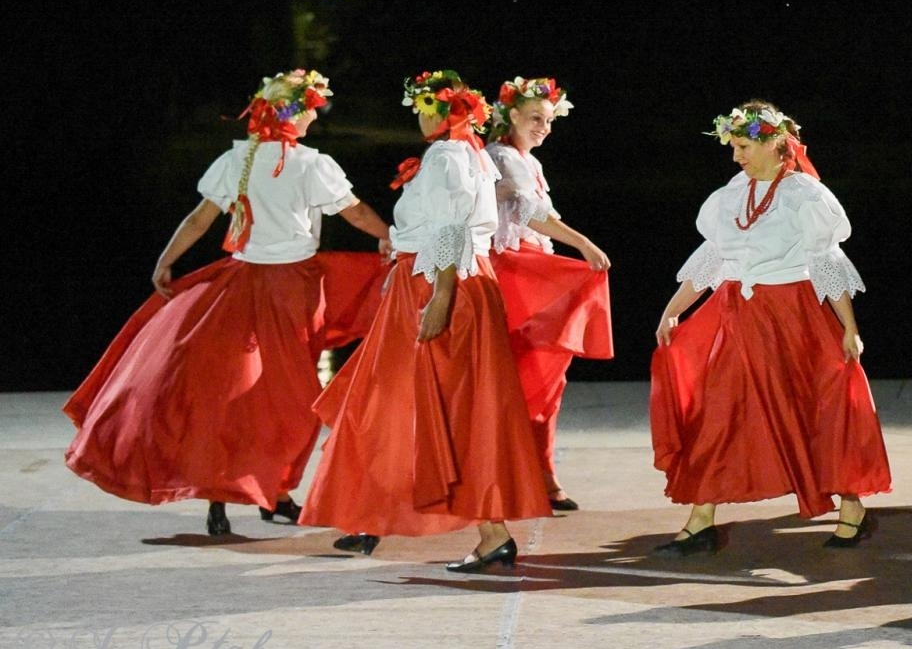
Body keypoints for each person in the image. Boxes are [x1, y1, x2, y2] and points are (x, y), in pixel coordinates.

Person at [64, 70, 390, 536]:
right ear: (293, 114)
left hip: (240, 285)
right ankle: (267, 492)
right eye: (312, 108)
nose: (316, 115)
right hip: (290, 290)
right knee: (288, 397)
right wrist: (389, 236)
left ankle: (241, 495)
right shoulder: (310, 164)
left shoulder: (239, 158)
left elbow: (200, 219)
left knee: (234, 393)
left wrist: (166, 259)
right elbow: (354, 211)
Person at [300, 70, 550, 571]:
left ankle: (487, 532)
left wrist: (437, 296)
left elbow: (452, 228)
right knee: (400, 403)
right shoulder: (470, 153)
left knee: (420, 407)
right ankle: (374, 516)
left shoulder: (448, 157)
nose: (416, 117)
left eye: (420, 108)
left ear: (438, 110)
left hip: (440, 284)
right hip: (440, 280)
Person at [650, 100, 891, 554]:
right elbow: (716, 258)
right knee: (717, 410)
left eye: (742, 146)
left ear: (773, 142)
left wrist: (848, 327)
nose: (736, 155)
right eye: (734, 146)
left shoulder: (804, 195)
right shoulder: (732, 193)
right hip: (739, 319)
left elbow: (826, 261)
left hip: (793, 319)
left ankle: (852, 505)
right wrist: (672, 309)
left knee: (812, 410)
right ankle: (701, 518)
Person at [486, 76, 612, 512]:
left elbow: (539, 215)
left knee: (546, 376)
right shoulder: (500, 156)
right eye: (536, 118)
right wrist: (583, 243)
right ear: (511, 116)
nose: (544, 127)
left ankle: (541, 471)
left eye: (549, 120)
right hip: (514, 271)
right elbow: (527, 212)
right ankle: (514, 473)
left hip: (532, 269)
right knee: (523, 374)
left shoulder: (529, 162)